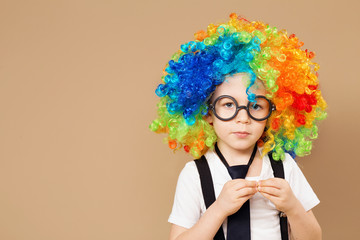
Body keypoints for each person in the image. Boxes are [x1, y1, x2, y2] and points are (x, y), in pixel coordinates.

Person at [150, 13, 327, 240]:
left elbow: (314, 238)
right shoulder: (195, 175)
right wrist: (218, 209)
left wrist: (293, 207)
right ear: (207, 113)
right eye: (228, 105)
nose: (243, 118)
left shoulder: (283, 166)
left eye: (255, 106)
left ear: (273, 113)